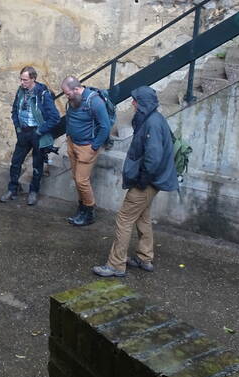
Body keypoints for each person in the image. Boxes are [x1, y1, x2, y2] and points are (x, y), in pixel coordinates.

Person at [92, 86, 178, 278]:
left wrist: (141, 181)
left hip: (147, 182)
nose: (132, 103)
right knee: (142, 216)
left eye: (135, 101)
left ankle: (116, 264)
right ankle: (144, 257)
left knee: (123, 218)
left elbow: (153, 157)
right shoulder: (153, 119)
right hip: (152, 180)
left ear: (143, 103)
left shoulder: (153, 123)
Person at [0, 66, 60, 206]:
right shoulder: (20, 91)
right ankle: (12, 189)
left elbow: (55, 117)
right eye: (21, 79)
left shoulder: (42, 94)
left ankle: (33, 192)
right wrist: (18, 127)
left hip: (37, 133)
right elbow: (14, 110)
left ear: (33, 78)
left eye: (25, 80)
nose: (22, 82)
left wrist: (40, 131)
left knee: (37, 164)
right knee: (15, 162)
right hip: (23, 132)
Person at [60, 77, 112, 227]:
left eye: (68, 93)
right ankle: (81, 209)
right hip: (72, 144)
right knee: (76, 179)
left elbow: (105, 127)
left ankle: (89, 212)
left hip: (86, 148)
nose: (66, 96)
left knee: (82, 181)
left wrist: (94, 147)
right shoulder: (74, 100)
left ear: (76, 89)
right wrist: (69, 137)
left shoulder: (95, 102)